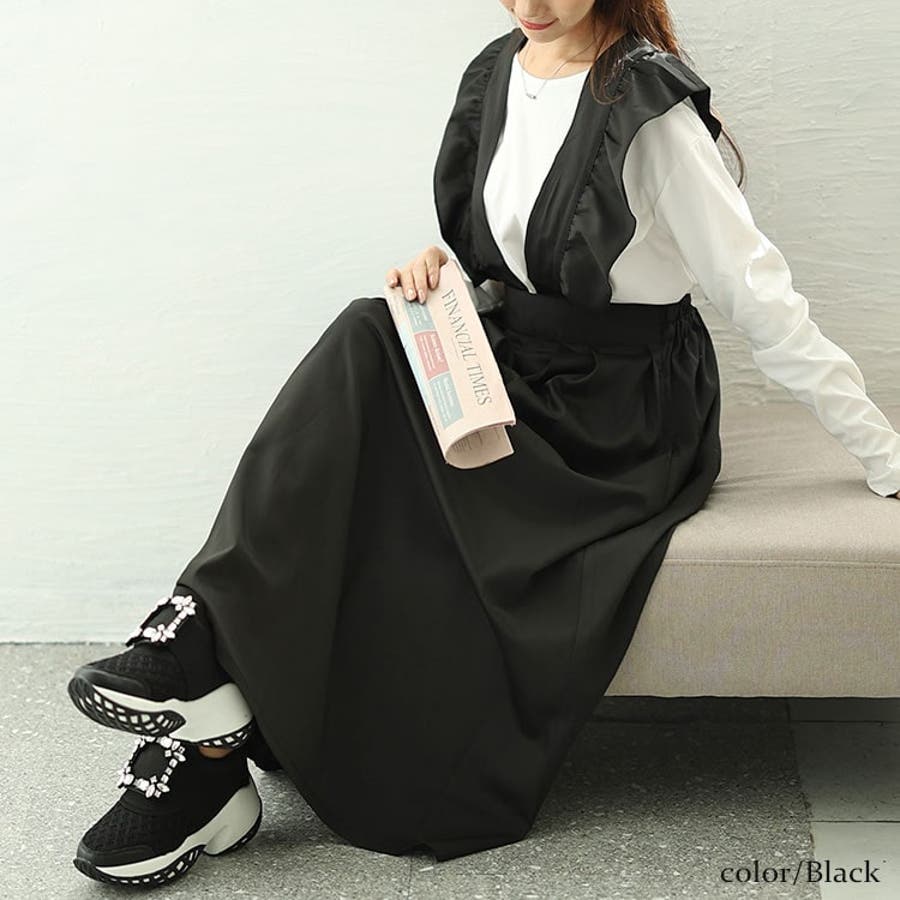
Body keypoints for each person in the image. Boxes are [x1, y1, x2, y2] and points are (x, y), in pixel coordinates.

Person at [66, 0, 900, 887]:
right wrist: (448, 277)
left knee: (382, 482)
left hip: (616, 418)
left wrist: (883, 453)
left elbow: (761, 299)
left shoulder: (650, 112)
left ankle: (200, 727)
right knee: (366, 336)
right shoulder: (499, 71)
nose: (529, 5)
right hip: (510, 366)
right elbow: (521, 254)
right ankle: (202, 697)